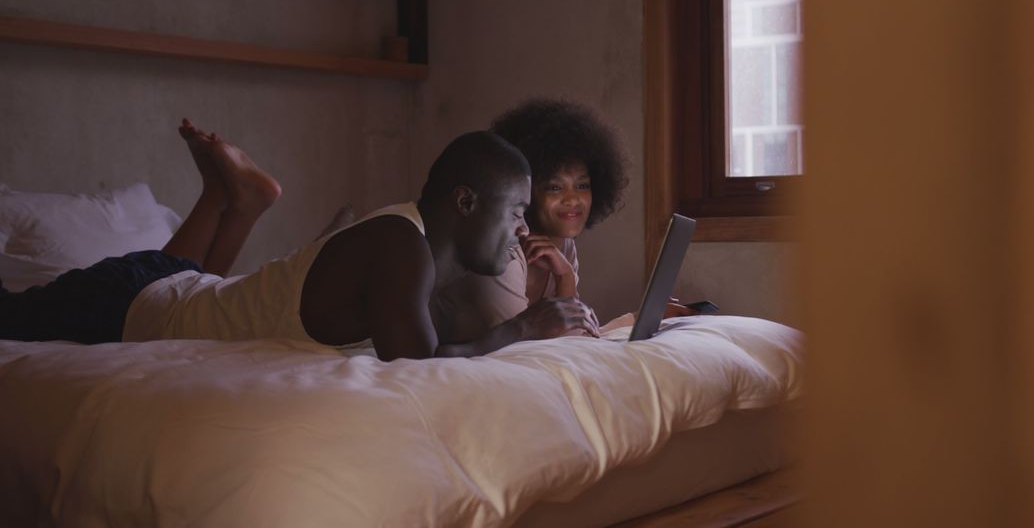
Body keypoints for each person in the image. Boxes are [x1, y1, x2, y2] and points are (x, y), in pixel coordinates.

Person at [1, 120, 597, 360]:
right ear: (464, 202)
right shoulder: (397, 243)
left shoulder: (430, 253)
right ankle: (234, 198)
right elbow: (416, 363)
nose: (524, 226)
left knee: (193, 286)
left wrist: (553, 310)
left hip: (170, 286)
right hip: (118, 304)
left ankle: (232, 198)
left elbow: (456, 333)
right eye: (516, 209)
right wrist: (525, 328)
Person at [431, 98, 634, 339]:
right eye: (554, 188)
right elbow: (526, 349)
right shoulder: (501, 252)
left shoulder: (563, 245)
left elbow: (571, 339)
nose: (573, 200)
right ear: (523, 191)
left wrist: (566, 277)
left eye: (582, 185)